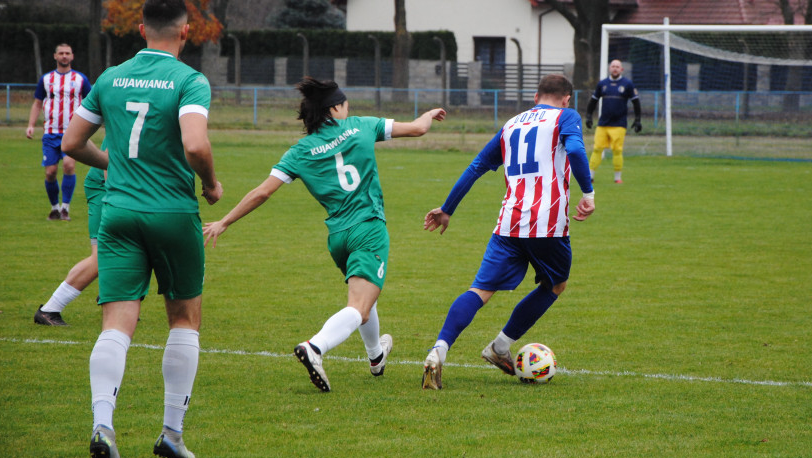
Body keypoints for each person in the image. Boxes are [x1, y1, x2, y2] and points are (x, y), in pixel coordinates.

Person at [61, 0, 223, 458]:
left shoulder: (109, 78)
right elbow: (195, 144)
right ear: (186, 31)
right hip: (171, 212)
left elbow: (72, 143)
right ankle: (171, 433)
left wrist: (113, 165)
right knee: (184, 319)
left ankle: (103, 425)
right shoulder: (190, 80)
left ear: (140, 29)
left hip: (118, 211)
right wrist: (211, 184)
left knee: (116, 323)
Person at [202, 78, 446, 393]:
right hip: (369, 228)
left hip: (338, 238)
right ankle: (315, 347)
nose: (349, 108)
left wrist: (224, 221)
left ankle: (376, 356)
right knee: (358, 306)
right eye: (345, 103)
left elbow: (262, 192)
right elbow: (417, 129)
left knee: (364, 298)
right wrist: (429, 114)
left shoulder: (301, 151)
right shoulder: (361, 126)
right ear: (335, 108)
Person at [421, 74, 595, 390]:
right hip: (547, 224)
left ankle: (439, 349)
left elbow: (476, 166)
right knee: (556, 285)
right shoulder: (566, 116)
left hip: (508, 224)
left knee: (480, 291)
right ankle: (500, 346)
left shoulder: (512, 124)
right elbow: (576, 151)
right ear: (566, 98)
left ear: (535, 96)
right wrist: (589, 192)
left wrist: (447, 209)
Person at [33, 162, 105, 326]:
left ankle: (115, 295)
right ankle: (50, 309)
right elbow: (110, 158)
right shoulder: (125, 135)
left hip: (120, 188)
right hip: (107, 187)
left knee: (136, 247)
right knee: (102, 255)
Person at [26, 43, 92, 220]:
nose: (64, 56)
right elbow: (37, 103)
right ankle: (54, 208)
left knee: (69, 166)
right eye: (61, 53)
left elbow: (91, 102)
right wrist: (31, 124)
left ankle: (65, 208)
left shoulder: (80, 79)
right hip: (50, 133)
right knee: (50, 172)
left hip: (72, 132)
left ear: (72, 57)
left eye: (67, 53)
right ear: (55, 56)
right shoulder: (46, 79)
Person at [585, 59, 641, 184]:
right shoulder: (602, 84)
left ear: (621, 69)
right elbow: (593, 101)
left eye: (617, 66)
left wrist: (637, 120)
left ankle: (617, 178)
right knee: (597, 149)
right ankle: (590, 176)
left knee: (617, 150)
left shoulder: (627, 84)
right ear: (610, 68)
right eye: (613, 66)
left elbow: (636, 102)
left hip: (619, 124)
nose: (615, 68)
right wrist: (588, 116)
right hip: (603, 123)